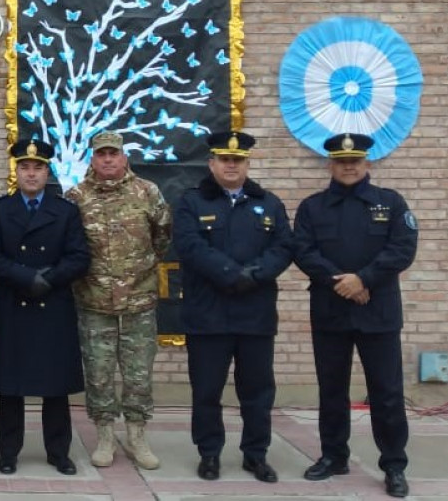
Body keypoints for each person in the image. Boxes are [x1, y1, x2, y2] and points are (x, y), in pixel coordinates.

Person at [293, 133, 418, 498]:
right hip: (331, 312)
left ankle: (394, 465)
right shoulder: (312, 207)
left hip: (377, 312)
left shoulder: (390, 203)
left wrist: (363, 279)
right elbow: (303, 250)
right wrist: (342, 282)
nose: (349, 166)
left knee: (388, 393)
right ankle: (334, 456)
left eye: (356, 160)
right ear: (330, 164)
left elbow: (403, 249)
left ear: (367, 163)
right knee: (332, 391)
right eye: (341, 160)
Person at [173, 131, 294, 483]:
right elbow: (189, 245)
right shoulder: (191, 202)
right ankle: (209, 453)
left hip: (255, 315)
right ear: (211, 163)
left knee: (257, 392)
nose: (231, 165)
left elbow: (285, 246)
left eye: (237, 160)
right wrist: (230, 274)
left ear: (247, 163)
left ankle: (255, 455)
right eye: (224, 159)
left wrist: (254, 274)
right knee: (207, 391)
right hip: (207, 316)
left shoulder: (268, 203)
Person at [0, 139, 90, 476]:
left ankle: (58, 452)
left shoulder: (66, 210)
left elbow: (79, 257)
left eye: (38, 167)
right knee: (10, 386)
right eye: (25, 167)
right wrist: (27, 277)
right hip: (14, 303)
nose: (31, 173)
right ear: (16, 171)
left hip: (52, 304)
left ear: (47, 171)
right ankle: (8, 452)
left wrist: (50, 278)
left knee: (54, 386)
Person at [65, 131, 171, 470]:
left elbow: (163, 237)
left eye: (114, 154)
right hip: (93, 303)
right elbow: (69, 246)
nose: (108, 160)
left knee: (138, 375)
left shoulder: (147, 192)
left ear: (124, 157)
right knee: (98, 374)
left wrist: (135, 273)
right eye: (101, 154)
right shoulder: (76, 197)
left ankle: (137, 435)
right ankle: (105, 436)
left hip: (139, 303)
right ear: (92, 160)